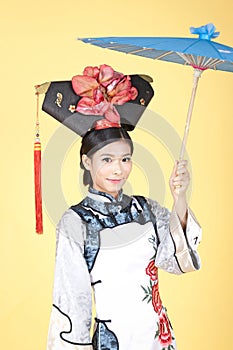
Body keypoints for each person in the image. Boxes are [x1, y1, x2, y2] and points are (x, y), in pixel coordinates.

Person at [39, 64, 201, 350]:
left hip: (156, 336)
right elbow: (72, 300)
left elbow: (178, 262)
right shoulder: (75, 222)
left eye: (125, 159)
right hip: (113, 340)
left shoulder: (147, 210)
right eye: (107, 160)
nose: (118, 170)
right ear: (87, 162)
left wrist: (180, 197)